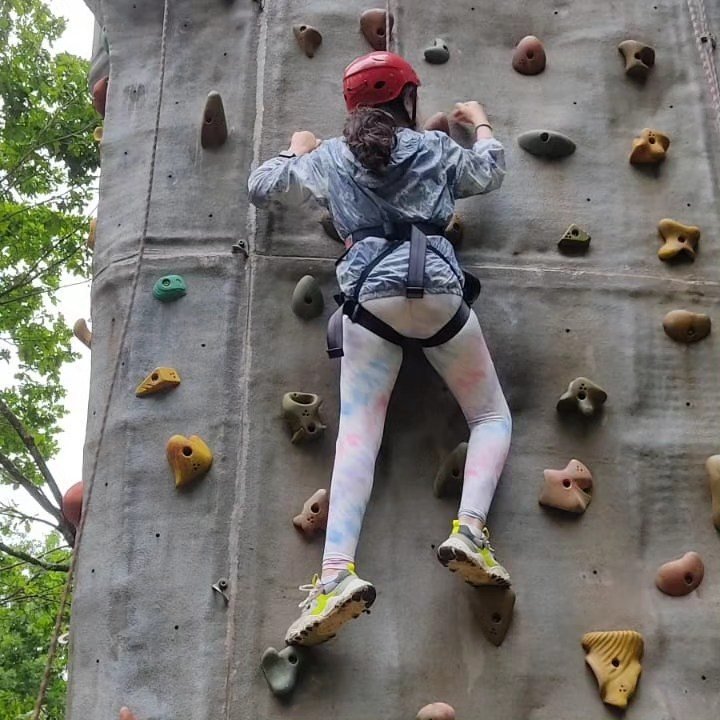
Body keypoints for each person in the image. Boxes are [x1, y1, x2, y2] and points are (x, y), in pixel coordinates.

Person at [248, 51, 512, 647]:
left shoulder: (330, 158)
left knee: (359, 437)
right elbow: (490, 172)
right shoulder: (436, 149)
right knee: (490, 417)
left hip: (369, 302)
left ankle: (335, 576)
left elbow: (260, 189)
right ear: (408, 99)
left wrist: (294, 149)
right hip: (438, 293)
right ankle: (470, 530)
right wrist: (480, 122)